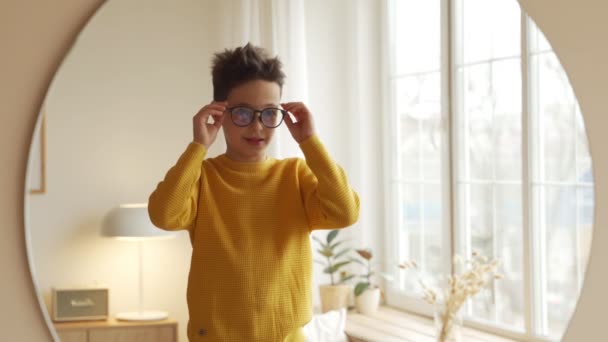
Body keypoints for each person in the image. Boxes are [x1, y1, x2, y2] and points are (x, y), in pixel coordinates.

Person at [148, 43, 360, 342]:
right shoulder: (203, 178)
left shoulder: (295, 174)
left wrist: (310, 141)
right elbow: (164, 215)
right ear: (219, 112)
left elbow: (345, 211)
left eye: (269, 113)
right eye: (244, 113)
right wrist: (198, 147)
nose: (258, 127)